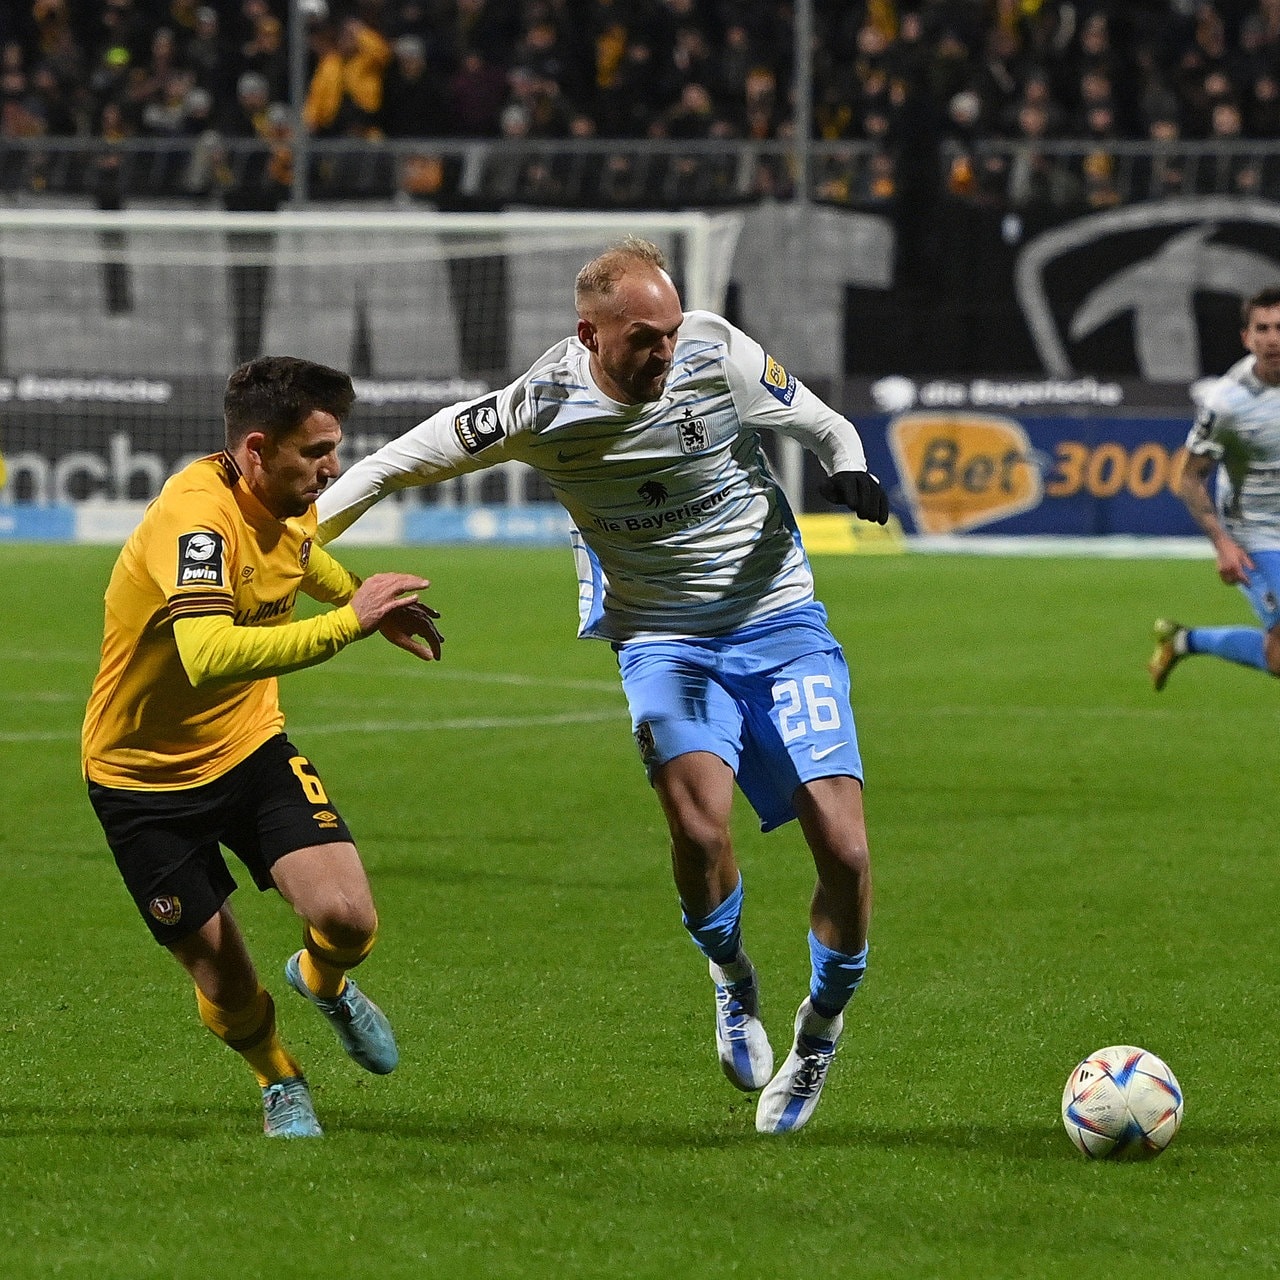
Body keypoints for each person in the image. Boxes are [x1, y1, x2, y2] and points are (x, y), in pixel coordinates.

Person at [315, 238, 889, 1135]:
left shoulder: (715, 349)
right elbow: (393, 465)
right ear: (590, 333)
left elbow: (822, 423)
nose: (667, 352)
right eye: (644, 340)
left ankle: (819, 1032)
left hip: (779, 621)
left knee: (847, 855)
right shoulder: (538, 407)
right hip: (661, 637)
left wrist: (848, 465)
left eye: (669, 332)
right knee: (699, 833)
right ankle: (733, 980)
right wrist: (290, 543)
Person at [82, 356, 444, 1138]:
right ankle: (278, 1076)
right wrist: (350, 625)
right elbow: (206, 653)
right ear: (255, 449)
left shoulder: (290, 499)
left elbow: (301, 557)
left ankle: (323, 981)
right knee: (227, 981)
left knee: (347, 918)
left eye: (334, 447)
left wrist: (360, 599)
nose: (332, 467)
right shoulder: (197, 521)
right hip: (142, 780)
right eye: (315, 452)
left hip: (249, 748)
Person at [1150, 285, 1280, 690]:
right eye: (1262, 328)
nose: (1273, 338)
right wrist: (1222, 544)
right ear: (1247, 338)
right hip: (1257, 532)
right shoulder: (1227, 403)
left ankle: (1183, 640)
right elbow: (1189, 477)